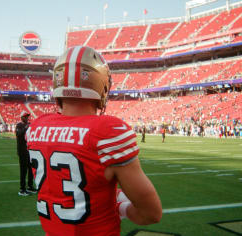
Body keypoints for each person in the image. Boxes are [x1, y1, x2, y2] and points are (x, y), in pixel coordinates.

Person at [26, 46, 162, 236]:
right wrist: (120, 206)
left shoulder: (36, 127)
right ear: (101, 85)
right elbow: (151, 214)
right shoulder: (108, 131)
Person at [15, 111, 36, 196]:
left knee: (31, 170)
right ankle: (22, 189)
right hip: (22, 151)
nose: (27, 118)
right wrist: (26, 127)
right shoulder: (19, 125)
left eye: (27, 116)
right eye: (25, 116)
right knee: (23, 171)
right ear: (21, 117)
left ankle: (30, 186)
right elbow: (18, 134)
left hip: (29, 151)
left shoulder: (30, 125)